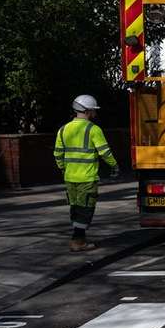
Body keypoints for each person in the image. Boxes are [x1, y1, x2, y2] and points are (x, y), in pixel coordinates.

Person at [54, 94, 119, 252]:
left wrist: (64, 169)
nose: (95, 113)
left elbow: (57, 154)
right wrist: (114, 166)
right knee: (86, 209)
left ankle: (78, 238)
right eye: (93, 110)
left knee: (75, 208)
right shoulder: (93, 129)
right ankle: (78, 241)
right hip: (87, 177)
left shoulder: (63, 129)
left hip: (70, 177)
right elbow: (105, 152)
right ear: (87, 111)